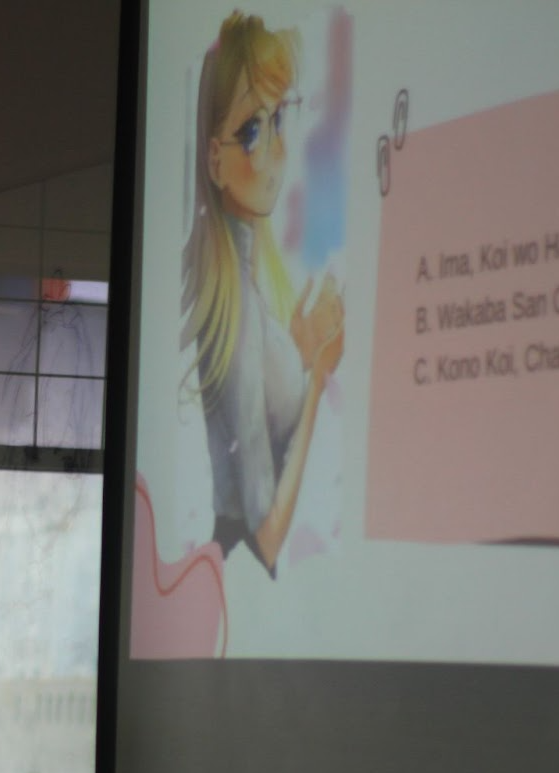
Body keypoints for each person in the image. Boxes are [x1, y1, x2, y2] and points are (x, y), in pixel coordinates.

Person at [180, 10, 346, 576]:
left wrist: (297, 353)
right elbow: (267, 536)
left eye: (278, 119)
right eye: (252, 130)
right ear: (215, 161)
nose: (276, 148)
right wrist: (317, 379)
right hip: (244, 577)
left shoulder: (245, 293)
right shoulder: (235, 313)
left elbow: (262, 421)